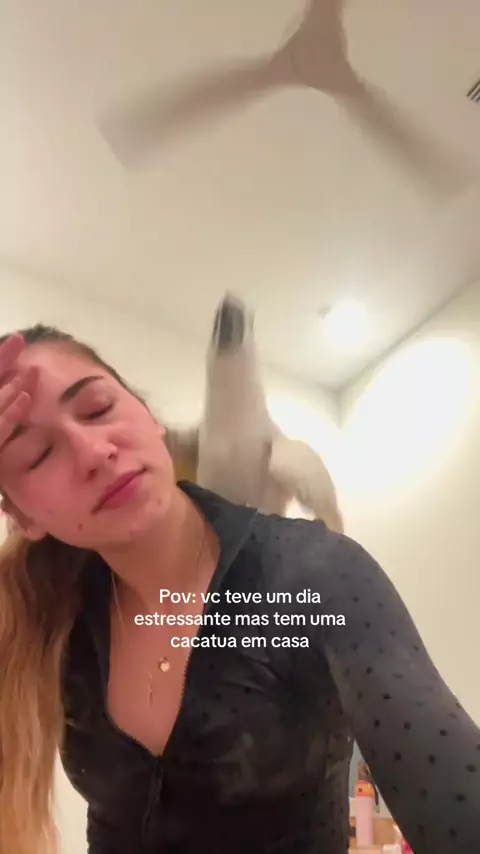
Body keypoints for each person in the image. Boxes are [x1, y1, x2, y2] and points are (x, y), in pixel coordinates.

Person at [0, 324, 479, 854]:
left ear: (149, 415)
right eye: (38, 454)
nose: (94, 452)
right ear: (22, 516)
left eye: (96, 409)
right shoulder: (47, 615)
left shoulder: (310, 576)